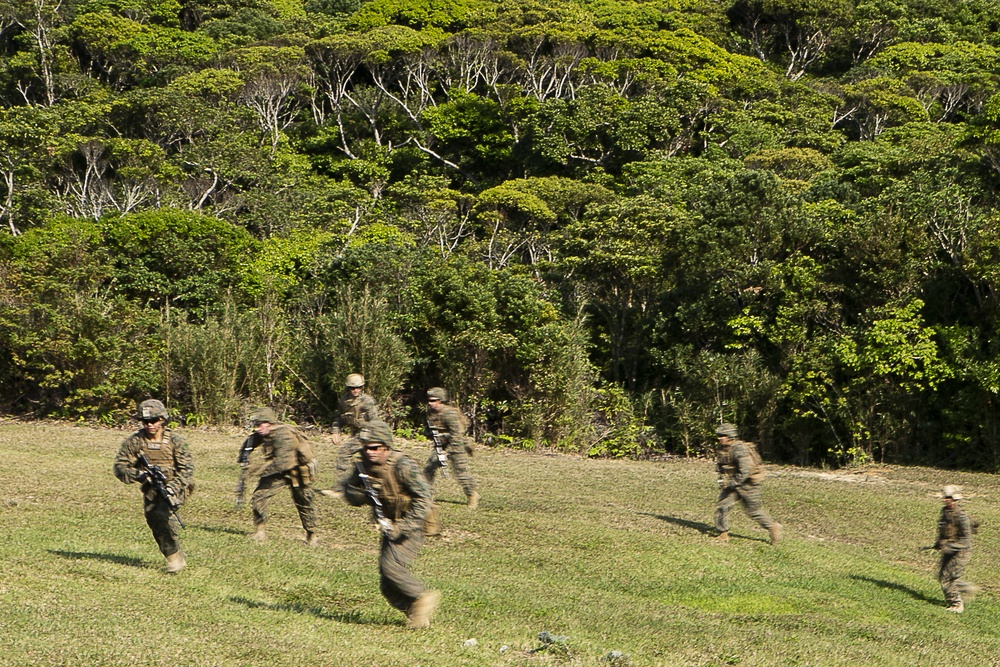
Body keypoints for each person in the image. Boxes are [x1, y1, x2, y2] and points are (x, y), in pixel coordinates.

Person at [341, 420, 440, 628]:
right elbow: (351, 496)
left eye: (375, 448)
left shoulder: (403, 466)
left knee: (391, 567)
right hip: (388, 524)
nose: (370, 452)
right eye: (366, 448)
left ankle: (422, 597)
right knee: (387, 585)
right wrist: (359, 492)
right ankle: (417, 614)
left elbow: (424, 499)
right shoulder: (362, 466)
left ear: (386, 447)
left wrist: (402, 527)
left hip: (412, 524)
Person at [113, 399, 194, 573]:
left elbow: (186, 470)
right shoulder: (135, 441)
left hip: (177, 486)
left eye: (154, 420)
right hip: (151, 488)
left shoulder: (176, 441)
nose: (150, 425)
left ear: (162, 420)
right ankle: (174, 555)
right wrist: (139, 475)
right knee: (154, 519)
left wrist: (173, 487)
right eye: (145, 421)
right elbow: (119, 466)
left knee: (163, 515)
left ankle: (175, 559)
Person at [240, 407, 319, 545]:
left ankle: (311, 535)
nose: (257, 429)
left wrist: (254, 470)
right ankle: (260, 532)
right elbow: (251, 442)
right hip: (278, 471)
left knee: (304, 502)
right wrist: (244, 454)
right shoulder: (264, 432)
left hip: (296, 470)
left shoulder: (283, 435)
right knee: (260, 497)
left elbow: (282, 464)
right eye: (256, 426)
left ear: (269, 423)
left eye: (259, 425)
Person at [713, 423, 781, 545]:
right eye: (719, 435)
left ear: (730, 436)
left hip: (749, 484)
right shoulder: (723, 448)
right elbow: (721, 464)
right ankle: (723, 534)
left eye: (722, 435)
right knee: (723, 506)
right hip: (733, 483)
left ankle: (772, 527)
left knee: (753, 511)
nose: (720, 438)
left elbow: (746, 470)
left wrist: (732, 482)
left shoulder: (739, 448)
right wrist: (722, 475)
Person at [424, 387, 479, 509]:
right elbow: (429, 430)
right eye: (429, 400)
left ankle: (471, 494)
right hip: (441, 445)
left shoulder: (449, 414)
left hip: (456, 445)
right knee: (428, 469)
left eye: (433, 400)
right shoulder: (431, 414)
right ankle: (427, 496)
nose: (430, 403)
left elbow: (457, 435)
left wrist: (447, 452)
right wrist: (432, 435)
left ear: (441, 400)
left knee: (460, 472)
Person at [933, 485, 977, 613]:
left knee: (946, 578)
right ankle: (967, 588)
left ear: (954, 499)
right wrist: (938, 543)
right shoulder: (945, 512)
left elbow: (965, 540)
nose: (946, 500)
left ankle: (956, 604)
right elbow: (943, 530)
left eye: (948, 498)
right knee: (943, 575)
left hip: (960, 552)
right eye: (945, 497)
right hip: (949, 550)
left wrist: (950, 546)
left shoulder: (962, 517)